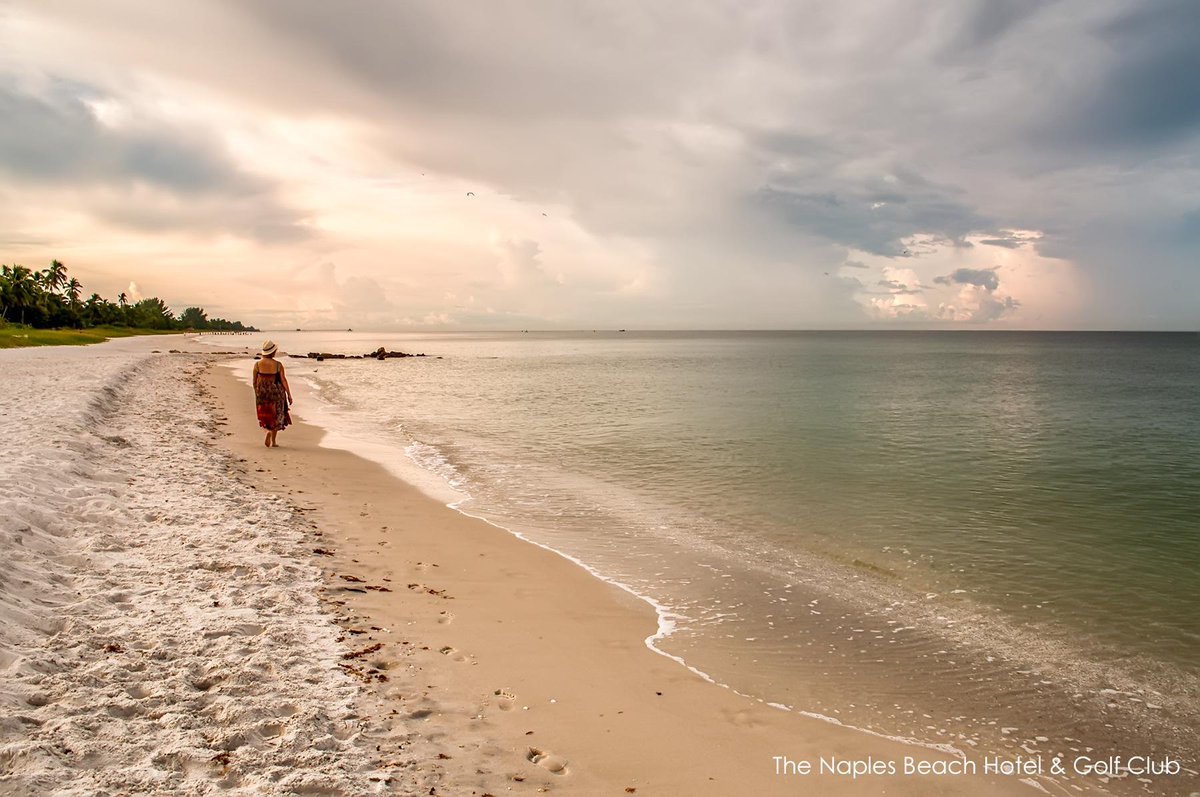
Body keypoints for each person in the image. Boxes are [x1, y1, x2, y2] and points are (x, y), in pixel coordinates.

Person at [253, 340, 292, 447]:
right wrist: (289, 394)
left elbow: (254, 381)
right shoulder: (278, 365)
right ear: (273, 352)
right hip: (276, 393)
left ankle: (267, 432)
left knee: (265, 416)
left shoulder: (257, 364)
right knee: (275, 416)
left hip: (262, 393)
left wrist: (257, 393)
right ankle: (274, 442)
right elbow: (283, 380)